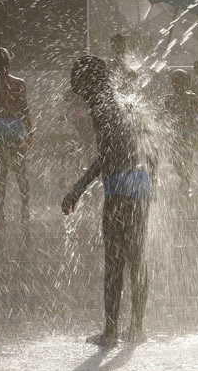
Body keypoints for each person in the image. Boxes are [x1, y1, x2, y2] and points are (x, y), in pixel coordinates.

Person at [62, 56, 154, 346]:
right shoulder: (121, 100)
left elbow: (105, 155)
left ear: (89, 80)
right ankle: (136, 328)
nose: (76, 88)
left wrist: (77, 188)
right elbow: (147, 146)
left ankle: (111, 332)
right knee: (137, 259)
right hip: (140, 185)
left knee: (115, 262)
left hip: (120, 188)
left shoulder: (101, 106)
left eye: (78, 81)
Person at [0, 47, 31, 227]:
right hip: (16, 127)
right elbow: (24, 109)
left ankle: (1, 211)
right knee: (20, 171)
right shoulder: (19, 84)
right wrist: (30, 131)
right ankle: (25, 209)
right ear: (9, 63)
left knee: (0, 173)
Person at [162, 69, 198, 193]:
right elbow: (163, 114)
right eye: (175, 82)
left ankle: (186, 181)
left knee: (187, 157)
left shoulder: (192, 97)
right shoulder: (169, 99)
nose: (177, 85)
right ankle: (184, 177)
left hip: (188, 131)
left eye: (179, 82)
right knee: (176, 159)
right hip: (175, 132)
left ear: (186, 83)